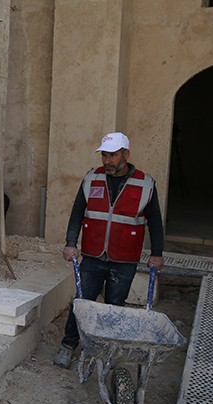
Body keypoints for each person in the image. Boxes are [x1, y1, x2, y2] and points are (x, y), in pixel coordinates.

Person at [53, 132, 165, 369]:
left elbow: (155, 221)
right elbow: (77, 213)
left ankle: (107, 350)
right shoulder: (92, 178)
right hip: (93, 255)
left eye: (112, 155)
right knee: (83, 302)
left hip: (124, 258)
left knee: (115, 305)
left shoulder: (145, 184)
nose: (107, 161)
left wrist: (157, 253)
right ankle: (69, 345)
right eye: (104, 155)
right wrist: (70, 242)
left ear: (126, 154)